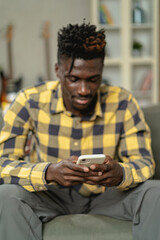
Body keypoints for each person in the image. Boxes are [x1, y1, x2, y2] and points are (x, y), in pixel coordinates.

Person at [0, 22, 159, 240]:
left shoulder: (123, 102)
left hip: (107, 196)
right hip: (49, 195)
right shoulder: (29, 101)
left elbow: (144, 162)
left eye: (93, 79)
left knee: (155, 192)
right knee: (7, 195)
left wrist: (120, 174)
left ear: (101, 71)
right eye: (73, 79)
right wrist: (49, 172)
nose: (83, 90)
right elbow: (4, 163)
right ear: (58, 70)